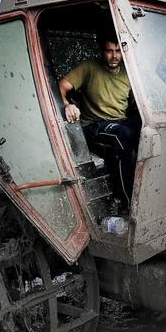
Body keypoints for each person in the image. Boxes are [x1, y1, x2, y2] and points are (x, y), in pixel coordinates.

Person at [59, 30, 140, 206]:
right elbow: (62, 85)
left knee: (145, 125)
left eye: (118, 51)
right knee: (123, 135)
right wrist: (67, 104)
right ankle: (130, 202)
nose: (114, 56)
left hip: (120, 122)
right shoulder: (89, 67)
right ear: (102, 51)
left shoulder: (128, 72)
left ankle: (146, 189)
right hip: (94, 125)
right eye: (109, 51)